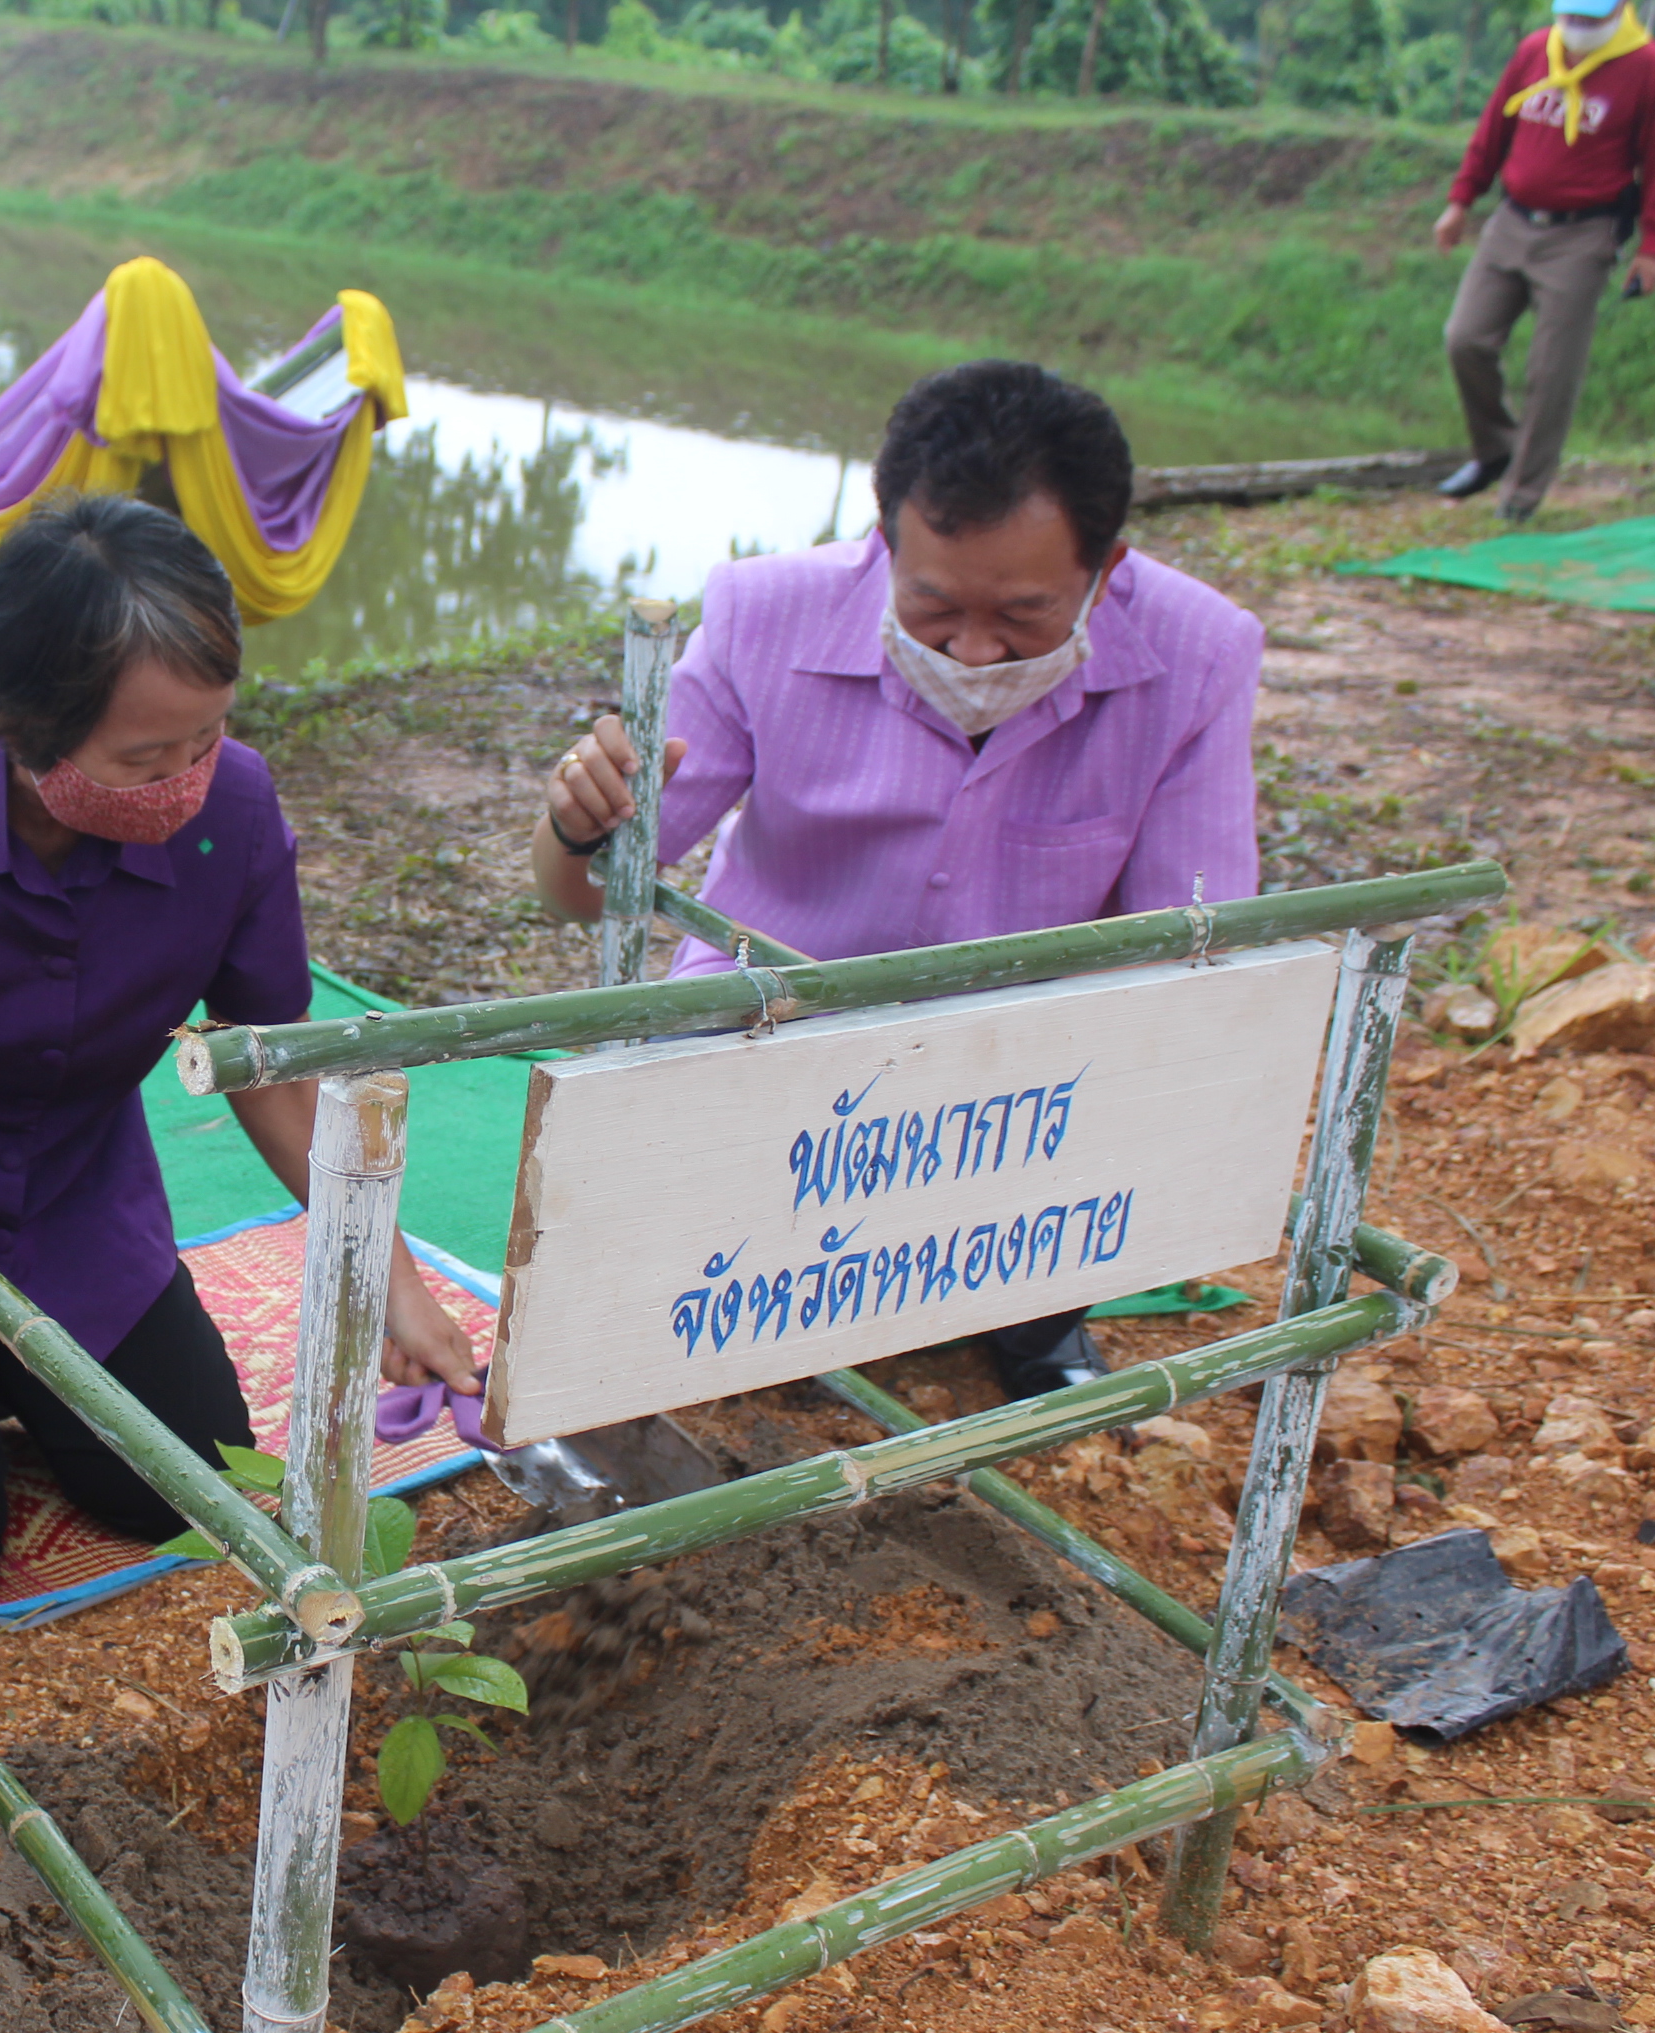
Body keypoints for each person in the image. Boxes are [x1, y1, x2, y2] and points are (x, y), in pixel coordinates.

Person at [0, 495, 479, 1611]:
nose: (192, 780)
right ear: (25, 730)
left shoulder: (235, 815)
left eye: (210, 737)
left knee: (187, 1482)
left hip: (67, 1205)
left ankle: (19, 1380)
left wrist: (389, 1280)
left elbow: (267, 1067)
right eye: (150, 755)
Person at [527, 360, 1261, 1400]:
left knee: (1133, 1080)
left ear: (1108, 569)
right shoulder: (761, 616)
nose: (973, 648)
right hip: (768, 1021)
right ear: (883, 545)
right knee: (692, 1263)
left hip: (1017, 1067)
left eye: (1023, 615)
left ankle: (1035, 1318)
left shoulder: (1200, 654)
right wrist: (575, 823)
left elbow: (1201, 941)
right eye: (932, 607)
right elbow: (589, 892)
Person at [1431, 0, 1655, 525]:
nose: (1577, 30)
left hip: (1583, 233)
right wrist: (1460, 202)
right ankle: (1495, 448)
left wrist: (1654, 246)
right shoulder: (1534, 52)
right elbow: (1492, 132)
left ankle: (1522, 493)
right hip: (1512, 220)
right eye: (1570, 18)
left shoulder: (1650, 68)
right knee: (1465, 338)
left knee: (1552, 370)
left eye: (1590, 21)